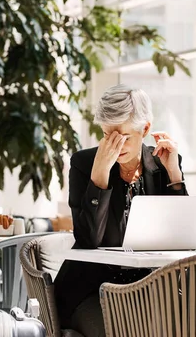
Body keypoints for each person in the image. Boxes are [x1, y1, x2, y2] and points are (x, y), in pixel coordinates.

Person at [54, 85, 187, 337]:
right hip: (92, 290)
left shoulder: (164, 161)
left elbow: (181, 237)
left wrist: (174, 176)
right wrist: (99, 177)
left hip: (148, 289)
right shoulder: (83, 164)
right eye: (107, 135)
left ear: (145, 129)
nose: (115, 145)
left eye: (124, 136)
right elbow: (88, 240)